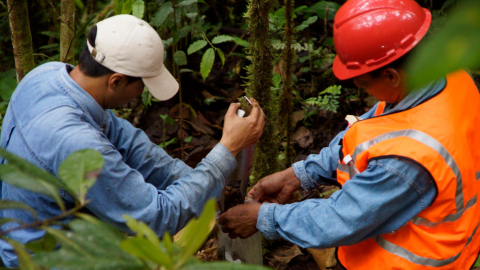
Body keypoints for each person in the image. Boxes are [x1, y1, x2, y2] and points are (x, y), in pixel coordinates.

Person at [219, 0, 480, 269]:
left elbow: (340, 220)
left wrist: (264, 217)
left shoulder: (407, 160)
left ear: (391, 76)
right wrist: (297, 175)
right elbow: (372, 131)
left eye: (362, 81)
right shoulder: (448, 79)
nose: (357, 85)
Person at [0, 14, 265, 267]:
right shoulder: (77, 144)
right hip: (43, 260)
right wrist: (226, 150)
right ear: (116, 81)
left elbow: (134, 148)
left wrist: (207, 187)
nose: (141, 93)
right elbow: (157, 217)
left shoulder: (47, 75)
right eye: (142, 86)